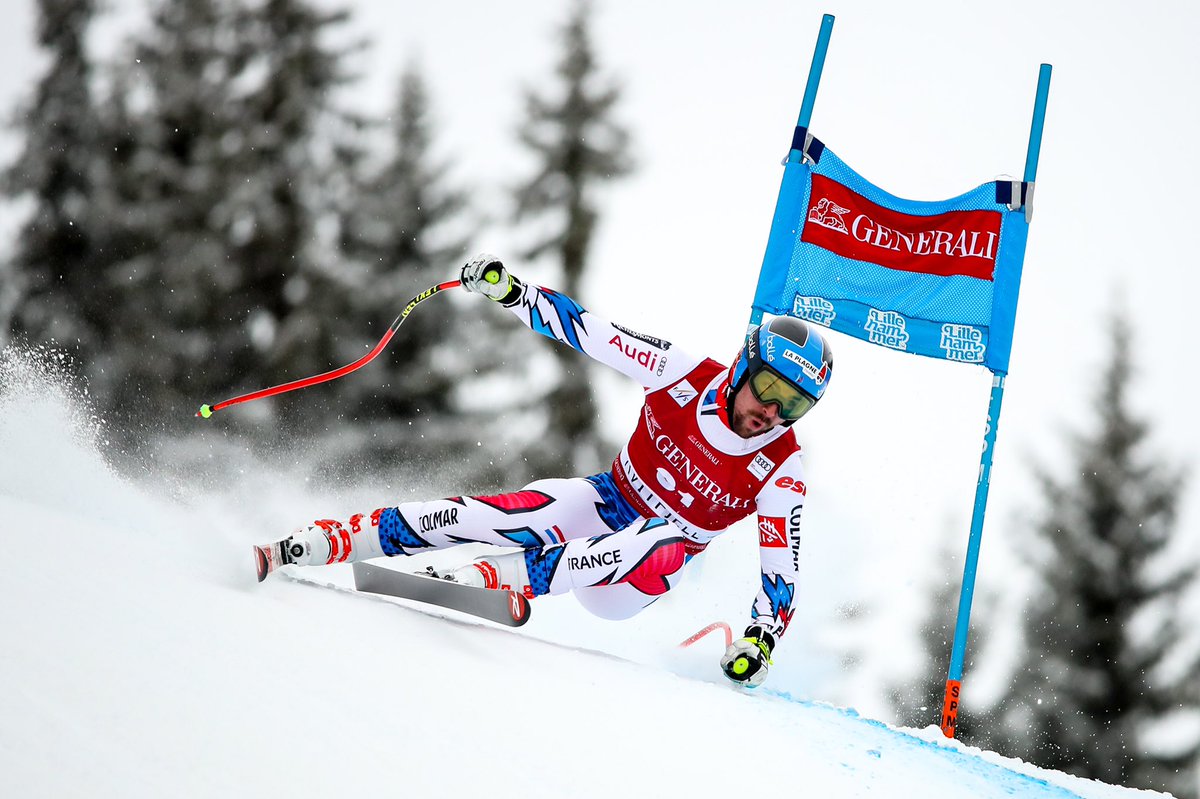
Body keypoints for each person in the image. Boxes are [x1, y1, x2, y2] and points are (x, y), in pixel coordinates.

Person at [255, 254, 833, 688]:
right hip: (604, 503)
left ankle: (502, 575)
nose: (772, 413)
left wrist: (761, 638)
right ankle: (325, 540)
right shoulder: (683, 374)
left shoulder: (783, 468)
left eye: (796, 405)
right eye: (768, 389)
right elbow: (589, 331)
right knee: (503, 512)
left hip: (632, 578)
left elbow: (782, 572)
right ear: (743, 368)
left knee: (664, 538)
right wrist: (514, 293)